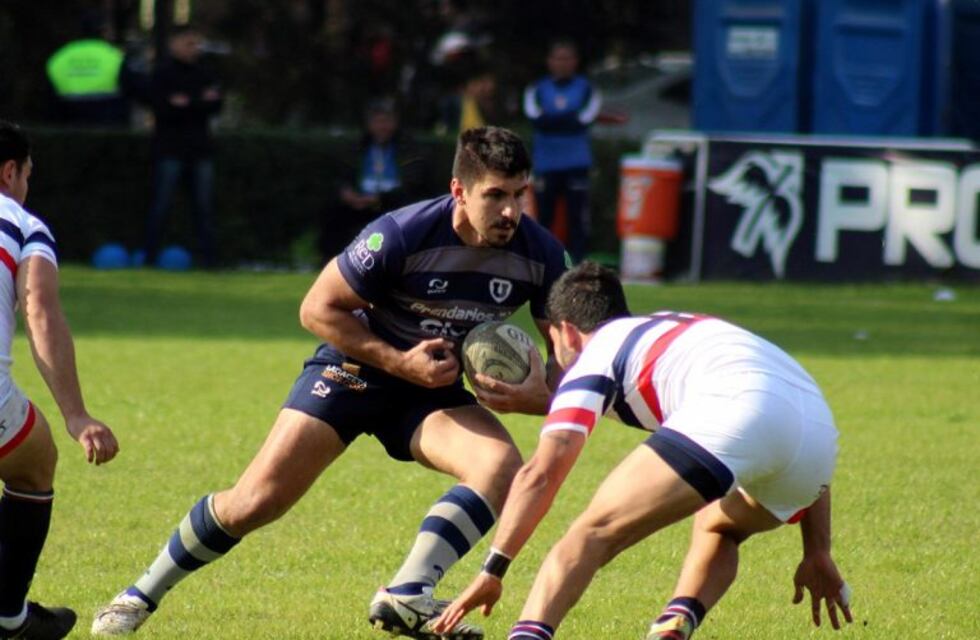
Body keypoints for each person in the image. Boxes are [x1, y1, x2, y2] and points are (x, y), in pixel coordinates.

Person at [91, 126, 569, 640]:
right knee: (255, 501)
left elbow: (569, 353)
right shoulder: (402, 234)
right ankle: (138, 594)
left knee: (500, 466)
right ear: (460, 190)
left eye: (519, 194)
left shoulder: (540, 253)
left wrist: (542, 396)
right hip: (353, 372)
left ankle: (407, 593)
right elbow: (316, 309)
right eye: (495, 195)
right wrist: (399, 362)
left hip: (432, 391)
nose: (510, 211)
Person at [434, 262, 852, 640]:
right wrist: (817, 551)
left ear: (566, 332)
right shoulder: (669, 328)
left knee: (589, 535)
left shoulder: (595, 354)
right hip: (817, 434)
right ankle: (675, 622)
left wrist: (493, 569)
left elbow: (541, 474)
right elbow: (776, 409)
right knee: (719, 525)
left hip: (735, 411)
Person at [0, 121, 120, 640]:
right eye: (27, 175)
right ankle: (8, 616)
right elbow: (40, 311)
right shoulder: (21, 224)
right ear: (10, 172)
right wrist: (76, 415)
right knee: (34, 463)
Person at [142, 24, 223, 269]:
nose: (194, 49)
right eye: (189, 43)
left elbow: (215, 104)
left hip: (199, 148)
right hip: (170, 148)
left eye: (196, 44)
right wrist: (198, 102)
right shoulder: (163, 74)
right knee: (161, 204)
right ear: (174, 44)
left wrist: (187, 103)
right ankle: (150, 257)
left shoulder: (205, 72)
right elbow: (163, 106)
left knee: (204, 207)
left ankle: (209, 260)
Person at [319, 98, 431, 262]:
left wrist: (380, 198)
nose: (382, 127)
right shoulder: (358, 147)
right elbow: (342, 176)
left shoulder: (407, 148)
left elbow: (414, 182)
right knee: (333, 213)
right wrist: (347, 193)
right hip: (359, 202)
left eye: (386, 121)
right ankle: (333, 262)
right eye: (377, 122)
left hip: (393, 203)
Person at [523, 39, 601, 264]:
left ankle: (578, 263)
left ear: (575, 62)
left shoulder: (586, 89)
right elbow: (536, 119)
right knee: (544, 216)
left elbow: (584, 119)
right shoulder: (537, 89)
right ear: (549, 61)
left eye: (567, 58)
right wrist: (565, 118)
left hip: (577, 162)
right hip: (546, 162)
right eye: (558, 58)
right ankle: (543, 261)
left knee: (577, 217)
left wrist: (555, 120)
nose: (562, 63)